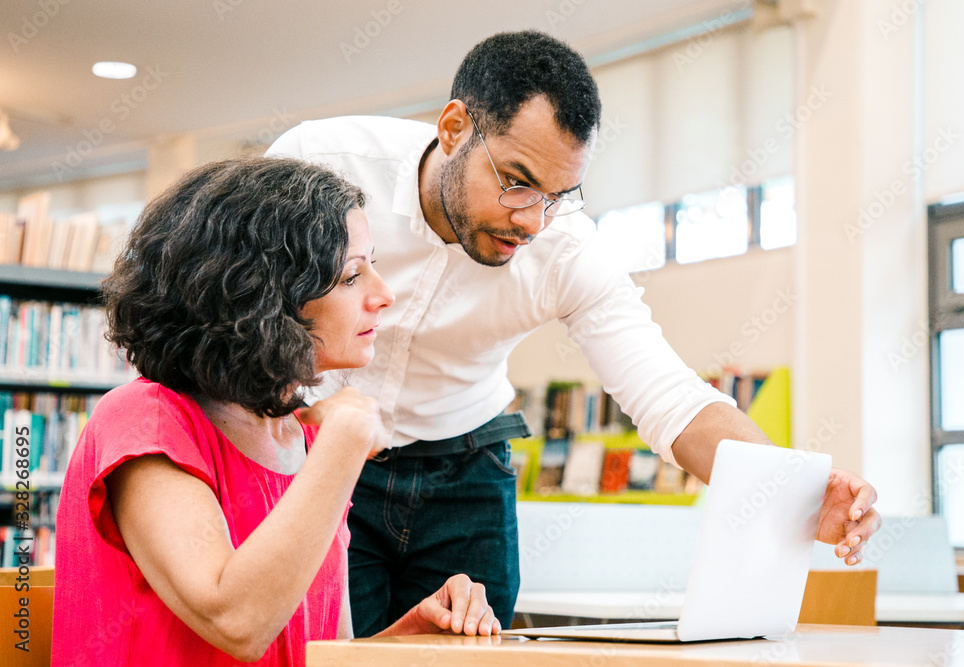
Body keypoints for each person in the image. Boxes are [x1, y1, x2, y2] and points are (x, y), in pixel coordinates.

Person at [266, 30, 881, 636]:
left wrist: (789, 491)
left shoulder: (565, 251)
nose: (531, 221)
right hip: (322, 450)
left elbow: (671, 399)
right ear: (453, 129)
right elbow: (233, 316)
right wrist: (296, 413)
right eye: (517, 181)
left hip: (467, 471)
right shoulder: (321, 166)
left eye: (558, 195)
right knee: (328, 652)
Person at [52, 156, 501, 667]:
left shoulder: (308, 439)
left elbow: (321, 653)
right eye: (353, 275)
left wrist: (413, 634)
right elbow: (236, 623)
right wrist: (347, 439)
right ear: (266, 296)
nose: (384, 294)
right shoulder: (144, 420)